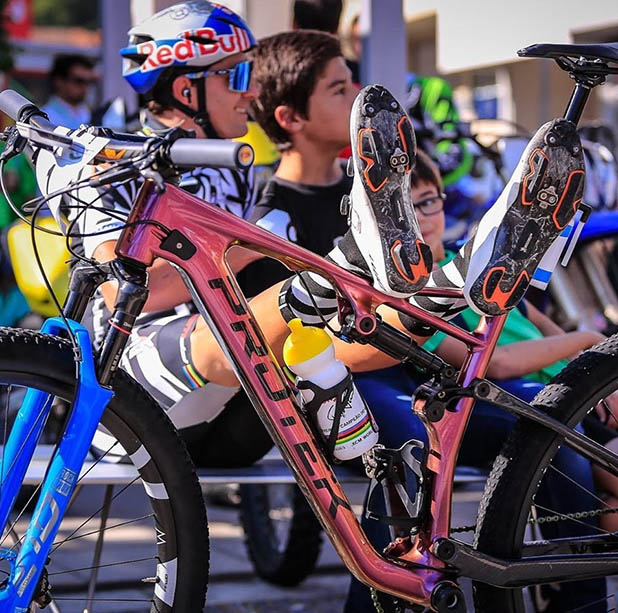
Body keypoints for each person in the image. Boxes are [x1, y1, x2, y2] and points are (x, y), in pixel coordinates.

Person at [70, 1, 271, 467]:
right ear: (186, 88)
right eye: (238, 76)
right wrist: (248, 247)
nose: (252, 91)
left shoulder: (232, 162)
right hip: (128, 407)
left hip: (222, 405)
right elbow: (134, 289)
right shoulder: (110, 165)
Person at [238, 29, 356, 298]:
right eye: (339, 90)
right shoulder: (266, 226)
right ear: (290, 118)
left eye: (352, 84)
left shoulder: (373, 187)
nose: (358, 98)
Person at [42, 54, 96, 129]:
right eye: (79, 81)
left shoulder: (90, 114)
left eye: (89, 82)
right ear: (59, 81)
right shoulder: (44, 119)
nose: (85, 87)